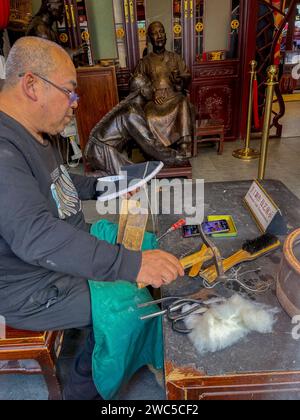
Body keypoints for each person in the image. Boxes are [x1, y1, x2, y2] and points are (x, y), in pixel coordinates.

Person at [0, 37, 184, 400]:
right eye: (69, 92)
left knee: (147, 244)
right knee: (131, 305)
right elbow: (35, 235)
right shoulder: (4, 149)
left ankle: (101, 339)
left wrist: (113, 185)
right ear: (32, 85)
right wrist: (129, 266)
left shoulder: (37, 133)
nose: (74, 104)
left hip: (55, 256)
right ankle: (86, 389)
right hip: (27, 285)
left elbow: (63, 184)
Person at [85, 73, 187, 176]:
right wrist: (174, 157)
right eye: (149, 86)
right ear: (142, 91)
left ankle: (100, 175)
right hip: (102, 152)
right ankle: (92, 178)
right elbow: (149, 143)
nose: (154, 89)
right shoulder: (132, 113)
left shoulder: (133, 108)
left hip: (99, 150)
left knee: (130, 175)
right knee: (129, 180)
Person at [134, 21, 194, 158]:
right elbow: (137, 84)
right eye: (155, 33)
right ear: (149, 39)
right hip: (155, 100)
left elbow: (186, 76)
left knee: (183, 103)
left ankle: (184, 145)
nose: (159, 35)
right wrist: (152, 94)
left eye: (161, 32)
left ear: (166, 35)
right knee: (149, 116)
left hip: (174, 96)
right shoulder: (145, 62)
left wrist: (179, 80)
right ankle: (155, 149)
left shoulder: (175, 57)